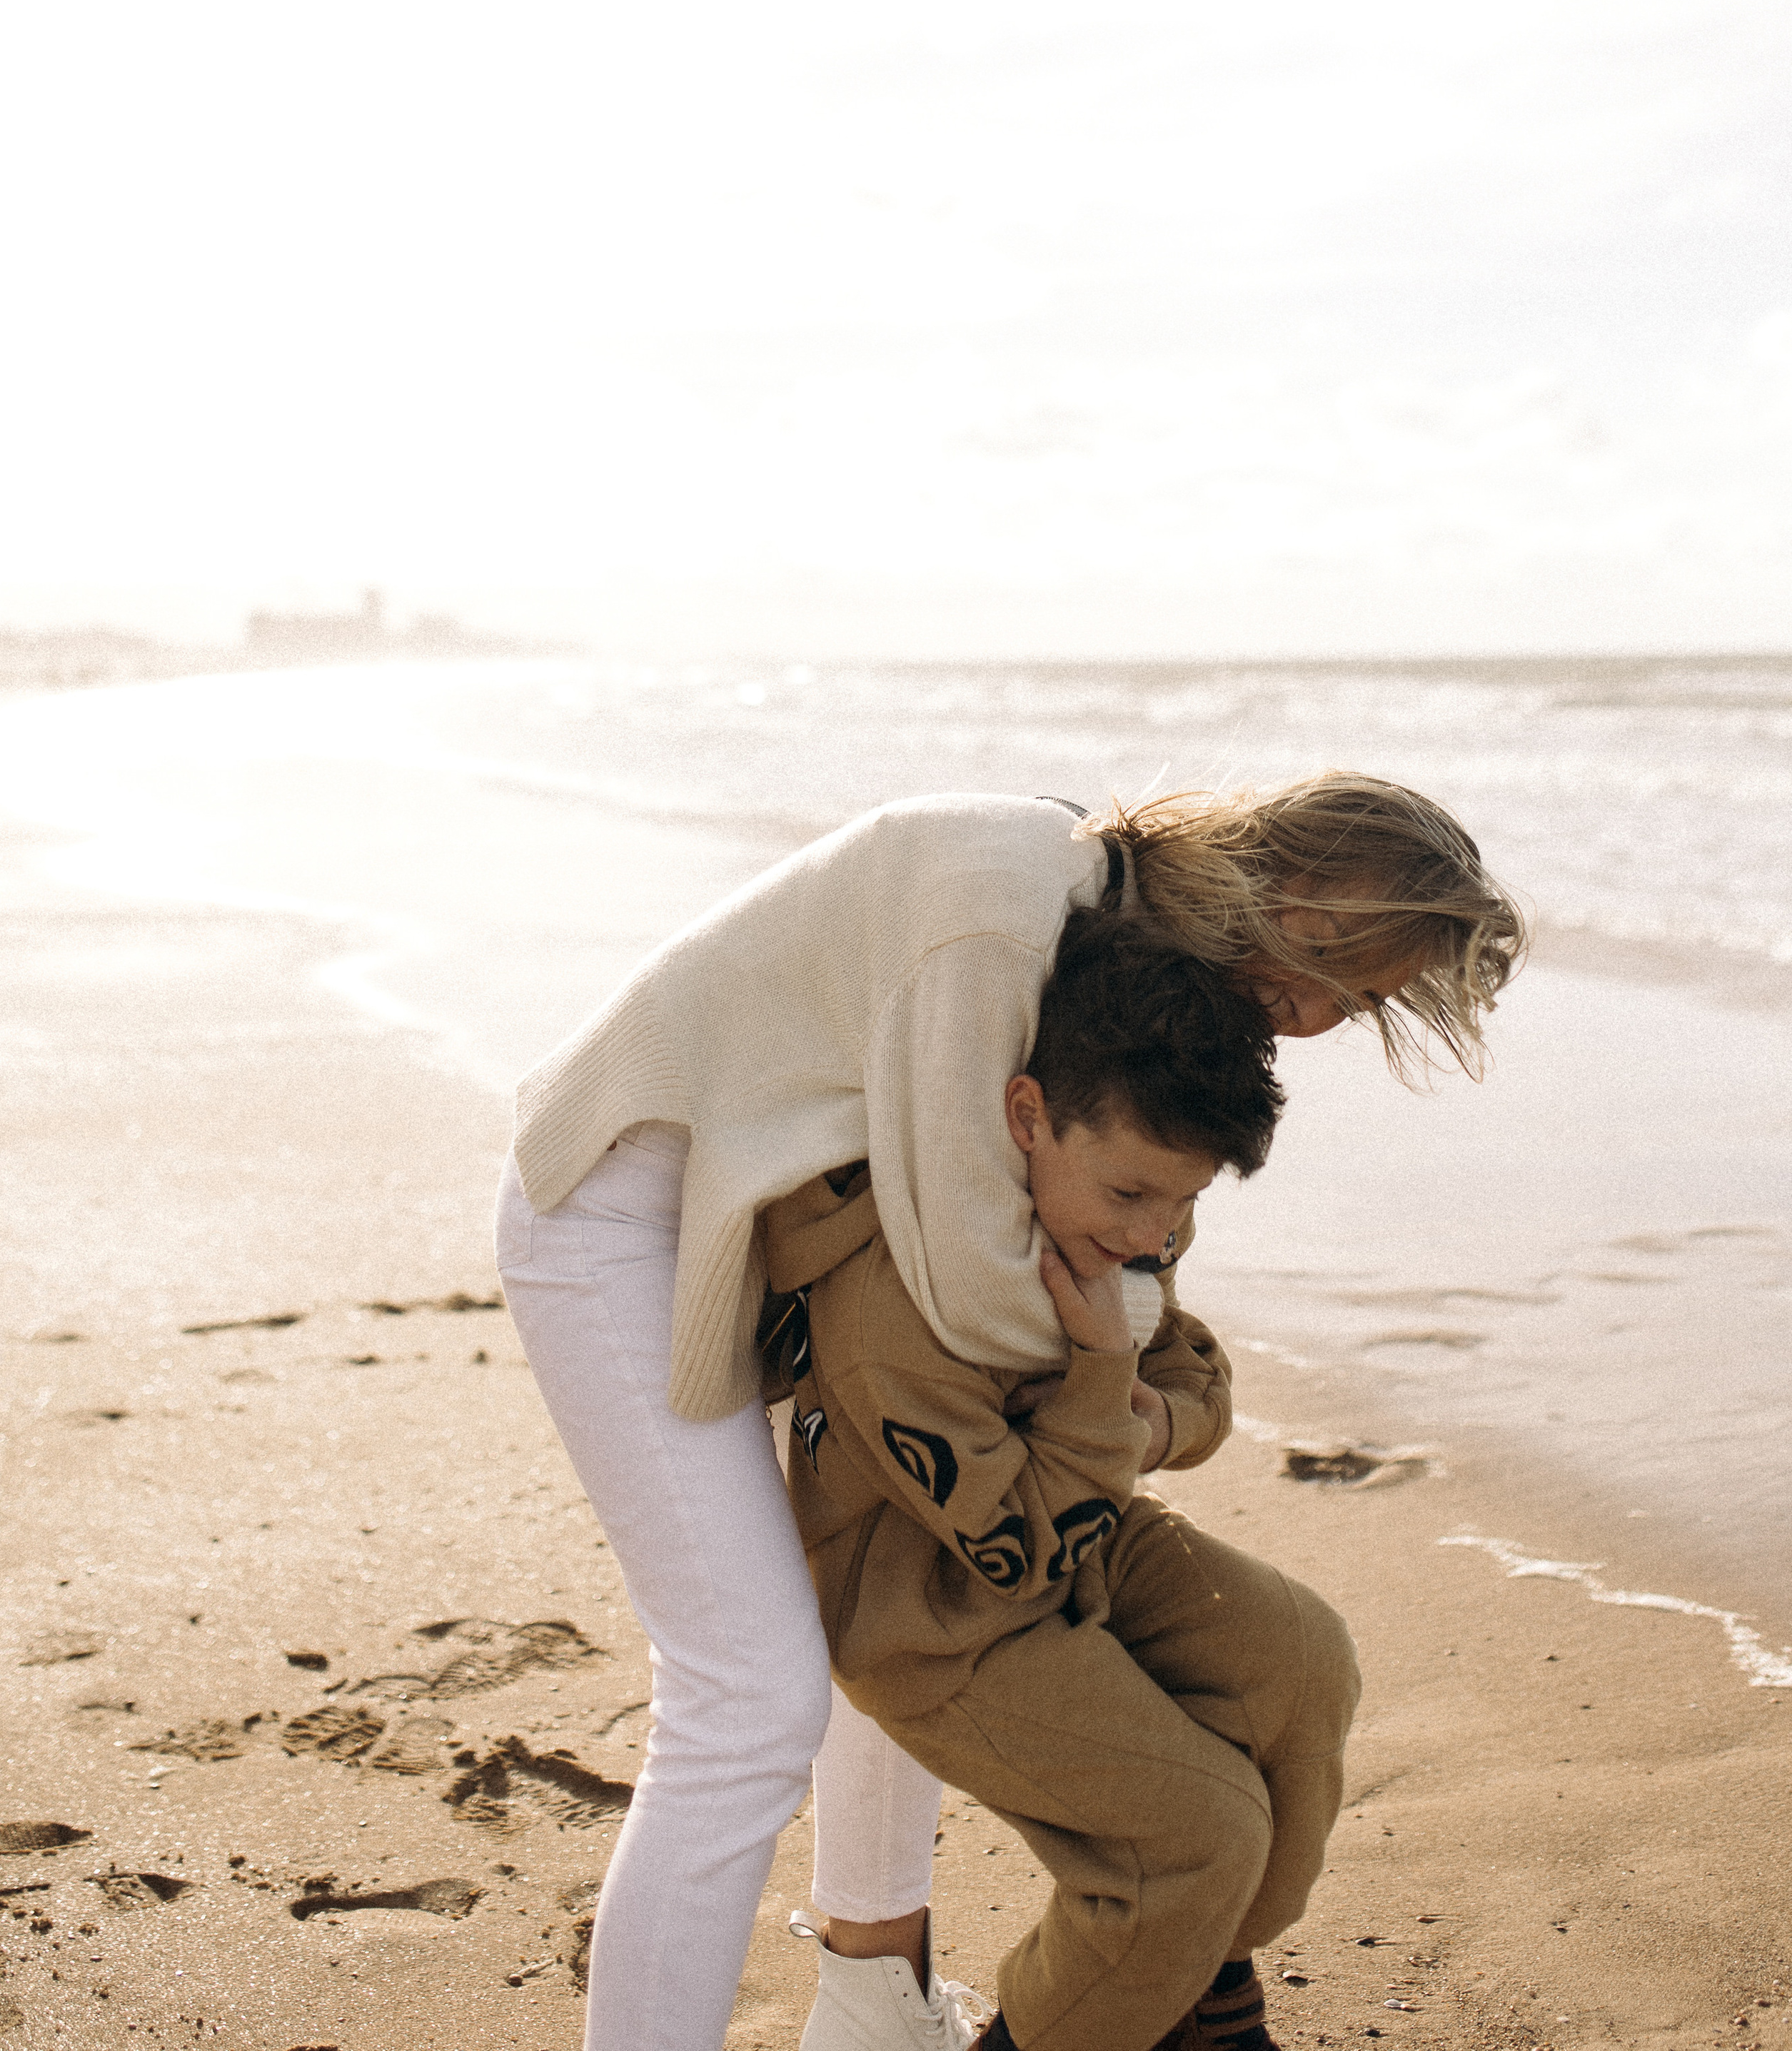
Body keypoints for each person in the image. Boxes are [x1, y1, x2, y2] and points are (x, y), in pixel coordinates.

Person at [494, 777, 1524, 2051]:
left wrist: (1127, 1365)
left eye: (1356, 1009)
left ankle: (874, 2009)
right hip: (624, 1209)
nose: (1315, 1024)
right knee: (748, 1699)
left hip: (775, 1222)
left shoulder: (1103, 945)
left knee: (905, 1562)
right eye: (1340, 975)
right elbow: (978, 1283)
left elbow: (1059, 1256)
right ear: (1298, 895)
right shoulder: (1007, 903)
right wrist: (1125, 1370)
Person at [767, 907, 1354, 2051]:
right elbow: (1020, 1543)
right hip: (930, 1607)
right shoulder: (901, 1302)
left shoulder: (1108, 1216)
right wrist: (1098, 1379)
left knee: (1300, 1661)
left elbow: (1189, 1370)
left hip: (1084, 1527)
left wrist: (1146, 1418)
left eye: (1186, 1203)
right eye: (1136, 1196)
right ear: (1027, 1115)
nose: (1155, 1235)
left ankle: (1200, 1996)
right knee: (1197, 1837)